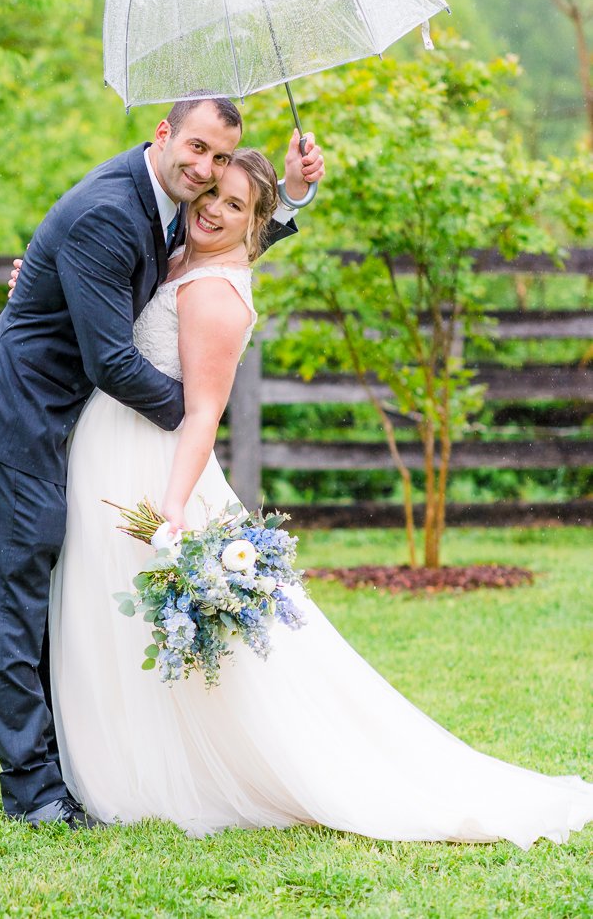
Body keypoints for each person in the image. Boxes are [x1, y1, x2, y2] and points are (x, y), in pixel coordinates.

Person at [41, 147, 593, 848]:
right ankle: (123, 753)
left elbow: (204, 413)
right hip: (114, 456)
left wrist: (174, 510)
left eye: (236, 206)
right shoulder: (187, 257)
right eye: (210, 192)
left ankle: (155, 770)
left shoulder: (213, 290)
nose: (212, 208)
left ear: (254, 222)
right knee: (113, 624)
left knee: (160, 631)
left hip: (152, 469)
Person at [0, 96, 324, 827]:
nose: (206, 173)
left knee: (56, 605)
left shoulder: (164, 203)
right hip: (14, 424)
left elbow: (213, 251)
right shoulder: (110, 212)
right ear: (164, 133)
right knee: (15, 611)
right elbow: (115, 361)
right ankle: (33, 791)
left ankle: (67, 766)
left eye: (219, 162)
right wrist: (196, 411)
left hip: (61, 429)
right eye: (199, 151)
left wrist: (295, 194)